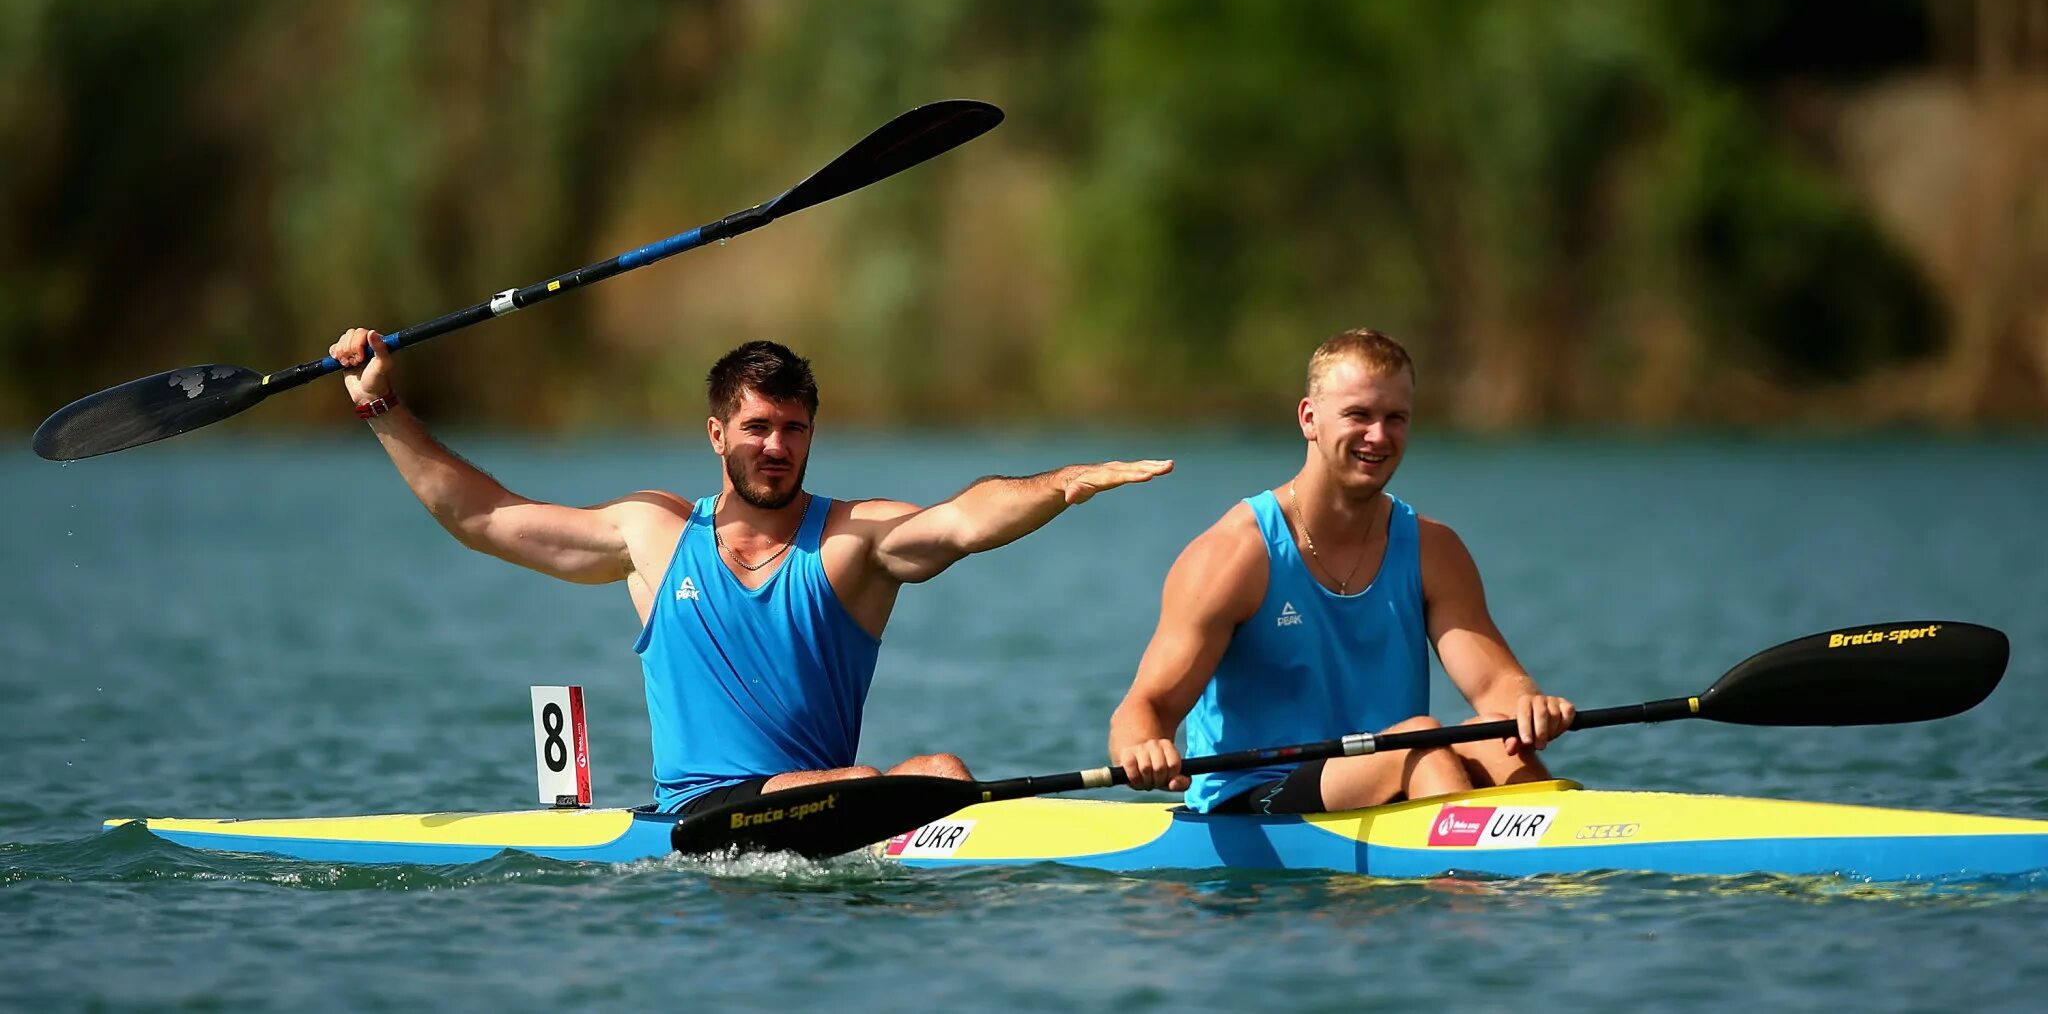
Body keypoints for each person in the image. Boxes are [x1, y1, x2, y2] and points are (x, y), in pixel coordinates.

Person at [329, 328, 1171, 817]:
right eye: (759, 426)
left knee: (945, 772)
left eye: (795, 429)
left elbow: (963, 518)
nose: (777, 446)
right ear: (717, 434)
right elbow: (482, 517)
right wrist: (380, 406)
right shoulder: (652, 534)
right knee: (872, 784)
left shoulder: (851, 541)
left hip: (828, 811)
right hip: (703, 818)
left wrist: (1059, 486)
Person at [1108, 328, 1572, 814]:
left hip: (1390, 768)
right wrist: (1144, 747)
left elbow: (1495, 686)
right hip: (1253, 795)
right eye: (1359, 415)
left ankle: (1562, 857)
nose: (1379, 436)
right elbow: (1146, 708)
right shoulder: (1234, 555)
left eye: (1396, 418)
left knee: (1493, 737)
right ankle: (1470, 881)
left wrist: (1527, 705)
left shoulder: (1435, 550)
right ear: (1310, 419)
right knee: (1419, 740)